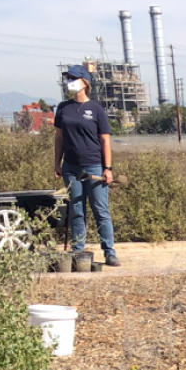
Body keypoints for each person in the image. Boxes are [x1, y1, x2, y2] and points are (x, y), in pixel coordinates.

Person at [53, 66, 119, 267]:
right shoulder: (63, 108)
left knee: (100, 210)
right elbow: (59, 138)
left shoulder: (96, 110)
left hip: (94, 167)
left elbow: (105, 140)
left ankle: (109, 252)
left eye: (73, 78)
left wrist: (107, 168)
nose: (69, 82)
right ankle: (77, 250)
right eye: (68, 78)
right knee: (77, 209)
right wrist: (57, 163)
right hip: (71, 168)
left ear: (84, 82)